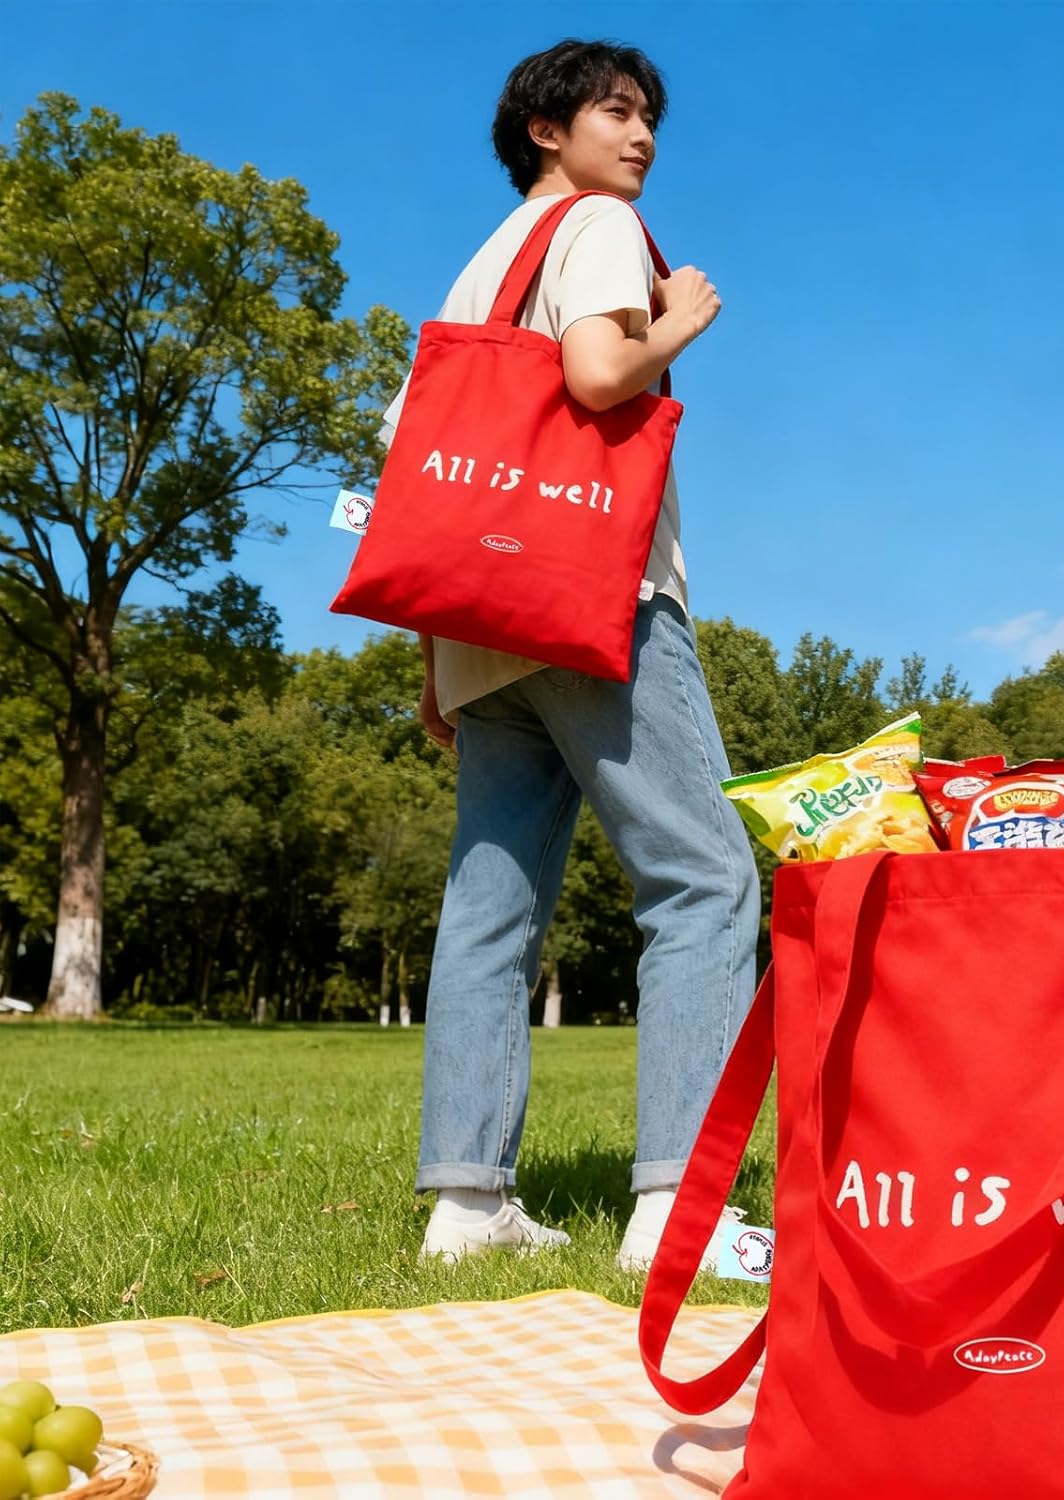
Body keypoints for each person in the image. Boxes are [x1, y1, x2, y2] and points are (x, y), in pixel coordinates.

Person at [380, 39, 760, 1269]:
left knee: (488, 914)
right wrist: (678, 325)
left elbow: (431, 479)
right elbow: (600, 379)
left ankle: (467, 1207)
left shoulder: (476, 269)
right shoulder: (596, 226)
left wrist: (442, 662)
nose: (642, 135)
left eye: (650, 117)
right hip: (597, 600)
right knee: (705, 881)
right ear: (549, 128)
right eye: (616, 110)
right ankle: (679, 1218)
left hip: (490, 623)